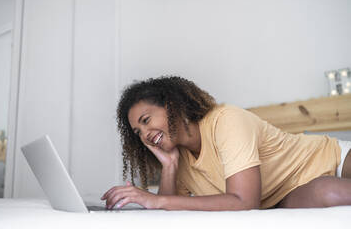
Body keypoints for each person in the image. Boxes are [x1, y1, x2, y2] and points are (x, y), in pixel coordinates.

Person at [101, 76, 351, 211]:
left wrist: (155, 199)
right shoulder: (181, 160)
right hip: (285, 194)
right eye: (138, 132)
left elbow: (244, 200)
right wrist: (169, 167)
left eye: (146, 120)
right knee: (331, 192)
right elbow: (167, 215)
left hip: (329, 157)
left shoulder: (225, 120)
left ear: (172, 106)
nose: (144, 134)